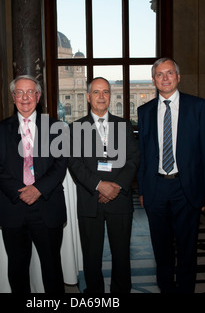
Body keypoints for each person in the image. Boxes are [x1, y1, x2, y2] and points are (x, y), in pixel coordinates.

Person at [137, 58, 205, 293]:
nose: (165, 78)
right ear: (154, 80)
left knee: (187, 248)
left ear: (178, 77)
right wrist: (142, 190)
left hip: (187, 188)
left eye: (169, 73)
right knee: (161, 250)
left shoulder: (198, 106)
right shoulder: (145, 111)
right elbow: (143, 154)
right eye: (159, 74)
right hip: (156, 189)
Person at [0, 75, 67, 293]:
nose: (25, 98)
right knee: (17, 269)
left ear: (38, 96)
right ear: (13, 97)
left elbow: (60, 165)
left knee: (52, 269)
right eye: (20, 93)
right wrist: (21, 192)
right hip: (13, 208)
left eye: (30, 92)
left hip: (47, 206)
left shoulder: (56, 128)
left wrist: (38, 189)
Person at [68, 77, 140, 293]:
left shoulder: (124, 125)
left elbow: (134, 158)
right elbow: (74, 163)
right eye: (97, 92)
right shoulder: (75, 127)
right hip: (90, 200)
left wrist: (116, 186)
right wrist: (100, 185)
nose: (101, 96)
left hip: (120, 200)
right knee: (91, 255)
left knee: (121, 254)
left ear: (110, 96)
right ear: (88, 97)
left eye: (106, 92)